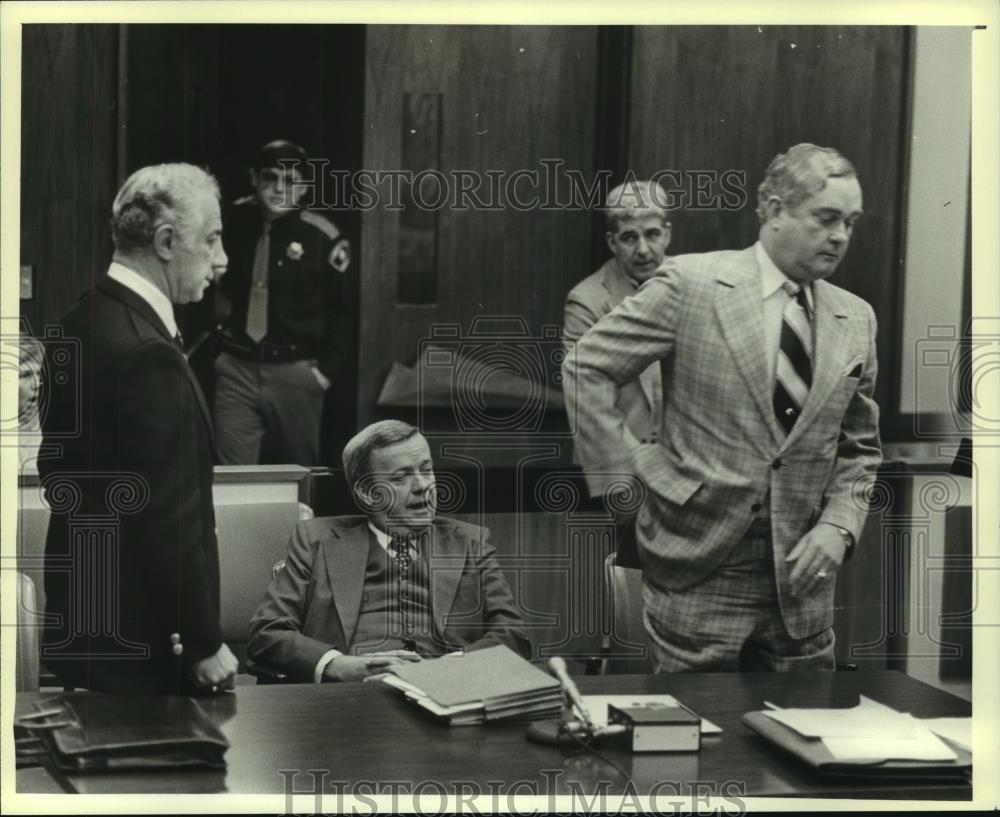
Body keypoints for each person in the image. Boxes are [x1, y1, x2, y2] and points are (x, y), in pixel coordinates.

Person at [563, 144, 883, 672]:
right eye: (826, 218)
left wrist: (840, 527)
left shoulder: (857, 318)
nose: (841, 236)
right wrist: (625, 479)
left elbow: (861, 449)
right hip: (698, 570)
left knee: (803, 741)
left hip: (802, 586)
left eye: (850, 222)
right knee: (695, 742)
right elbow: (584, 368)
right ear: (776, 210)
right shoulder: (691, 285)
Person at [39, 163, 238, 694]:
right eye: (213, 239)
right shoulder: (147, 350)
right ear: (167, 241)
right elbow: (166, 514)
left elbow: (57, 471)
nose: (222, 260)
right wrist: (200, 640)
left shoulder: (78, 321)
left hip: (91, 631)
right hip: (145, 645)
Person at [248, 420, 530, 682]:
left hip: (447, 695)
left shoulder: (470, 542)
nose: (423, 486)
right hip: (349, 699)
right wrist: (340, 665)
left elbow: (513, 634)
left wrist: (449, 669)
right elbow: (268, 633)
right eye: (401, 477)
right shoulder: (315, 540)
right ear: (368, 493)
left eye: (426, 469)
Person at [213, 139, 353, 466]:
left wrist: (323, 375)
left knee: (296, 476)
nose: (279, 189)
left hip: (294, 371)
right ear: (254, 178)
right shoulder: (235, 219)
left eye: (290, 181)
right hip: (237, 367)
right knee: (231, 476)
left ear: (304, 188)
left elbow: (343, 312)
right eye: (269, 177)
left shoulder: (323, 236)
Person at [563, 179, 671, 461]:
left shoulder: (691, 285)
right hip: (619, 459)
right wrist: (642, 464)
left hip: (685, 465)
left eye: (652, 234)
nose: (644, 250)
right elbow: (585, 397)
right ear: (612, 242)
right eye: (630, 237)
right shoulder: (586, 301)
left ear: (667, 235)